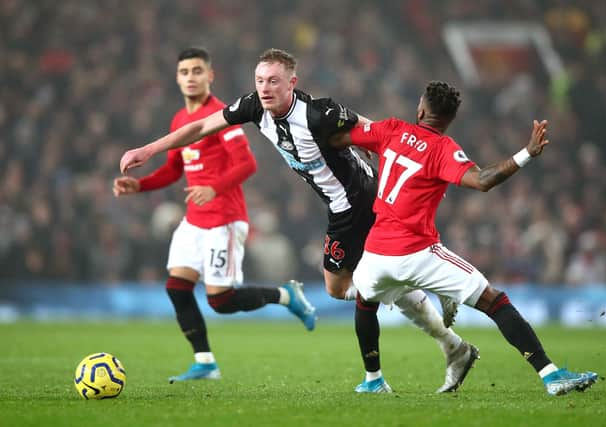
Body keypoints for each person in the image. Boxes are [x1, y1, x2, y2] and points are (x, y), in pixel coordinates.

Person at [119, 48, 478, 393]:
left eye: (274, 81)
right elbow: (200, 128)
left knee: (346, 287)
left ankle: (422, 330)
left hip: (357, 203)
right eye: (260, 80)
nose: (265, 88)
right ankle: (451, 342)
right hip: (343, 207)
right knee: (358, 285)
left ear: (292, 83)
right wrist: (148, 150)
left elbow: (372, 126)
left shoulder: (319, 113)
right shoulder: (251, 107)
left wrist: (386, 150)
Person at [329, 80, 598, 396]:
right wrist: (527, 153)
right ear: (449, 119)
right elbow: (484, 181)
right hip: (417, 252)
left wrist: (360, 144)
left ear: (421, 109)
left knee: (366, 301)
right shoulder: (443, 149)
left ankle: (373, 379)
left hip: (374, 255)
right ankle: (552, 375)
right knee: (494, 300)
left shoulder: (391, 129)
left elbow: (337, 137)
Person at [113, 47, 316, 383]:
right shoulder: (180, 121)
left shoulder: (221, 115)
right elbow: (174, 169)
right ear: (177, 78)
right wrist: (140, 186)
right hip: (194, 220)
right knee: (178, 288)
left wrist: (214, 189)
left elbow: (247, 163)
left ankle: (286, 295)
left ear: (210, 76)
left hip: (224, 217)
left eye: (197, 71)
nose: (190, 78)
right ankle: (205, 361)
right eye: (184, 72)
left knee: (220, 301)